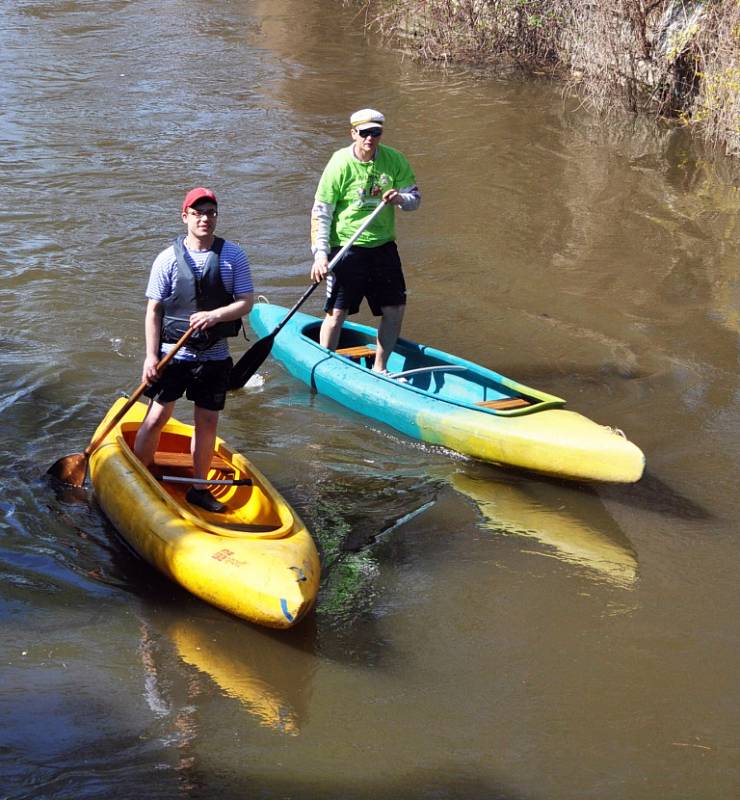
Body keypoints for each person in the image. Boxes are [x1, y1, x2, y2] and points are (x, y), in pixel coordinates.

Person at [133, 187, 254, 513]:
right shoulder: (166, 259)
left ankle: (199, 488)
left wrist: (215, 315)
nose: (205, 219)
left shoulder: (233, 256)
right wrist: (151, 356)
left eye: (211, 213)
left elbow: (246, 302)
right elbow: (154, 310)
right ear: (185, 216)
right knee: (157, 415)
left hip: (214, 356)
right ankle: (140, 477)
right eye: (198, 213)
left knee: (208, 422)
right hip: (174, 355)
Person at [310, 108, 420, 373]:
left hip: (383, 246)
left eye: (376, 133)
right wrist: (321, 255)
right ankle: (327, 366)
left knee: (395, 308)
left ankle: (381, 368)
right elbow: (321, 211)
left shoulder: (395, 160)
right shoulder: (339, 163)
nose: (370, 139)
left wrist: (400, 200)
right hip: (347, 247)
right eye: (364, 133)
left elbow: (415, 200)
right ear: (353, 133)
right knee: (338, 312)